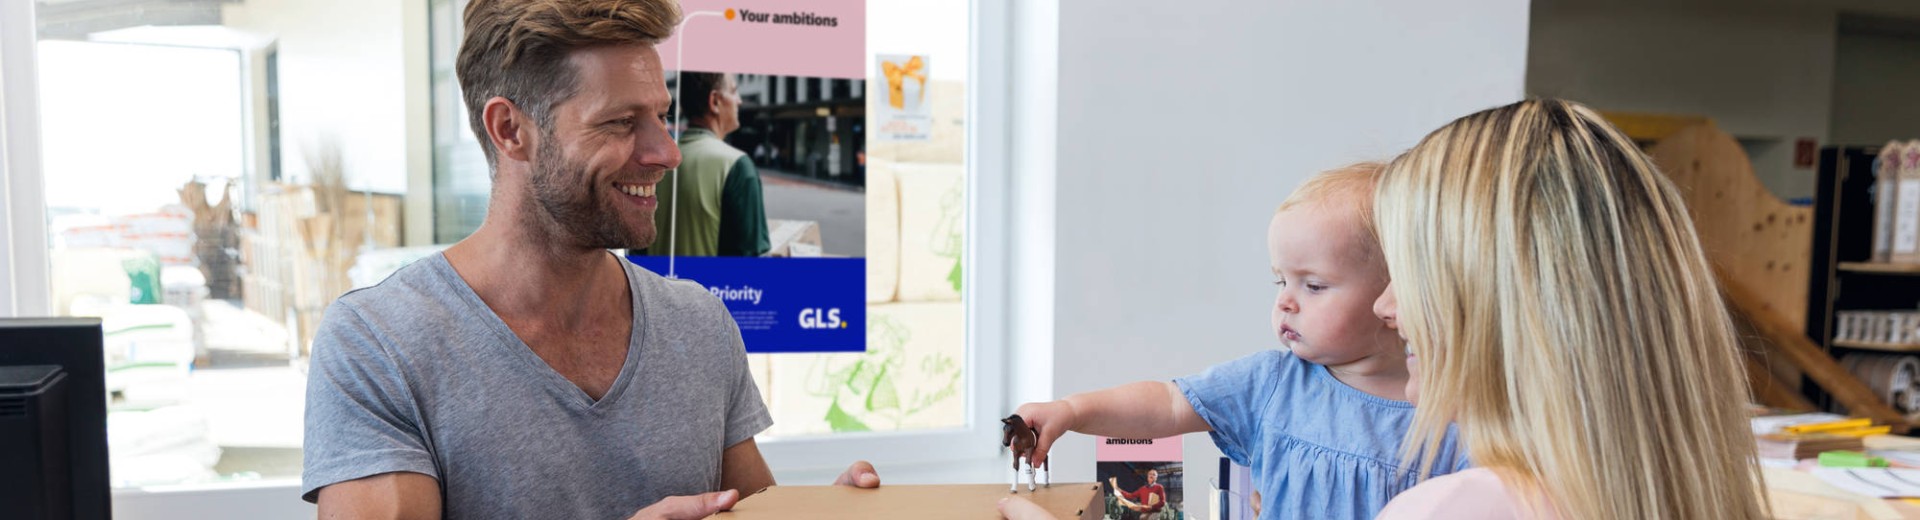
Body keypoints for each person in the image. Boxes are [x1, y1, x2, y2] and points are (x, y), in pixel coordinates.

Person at [299, 1, 877, 518]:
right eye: (622, 122)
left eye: (660, 115)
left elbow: (747, 514)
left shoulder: (698, 323)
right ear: (510, 130)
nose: (665, 152)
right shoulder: (379, 344)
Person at [1370, 99, 1768, 519]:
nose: (1385, 305)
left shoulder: (1453, 510)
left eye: (1411, 271)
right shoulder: (1697, 500)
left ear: (1496, 295)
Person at [1007, 163, 1470, 519]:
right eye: (1280, 283)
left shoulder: (1455, 415)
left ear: (1397, 289)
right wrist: (1072, 410)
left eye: (1314, 285)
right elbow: (1168, 404)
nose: (1286, 302)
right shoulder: (1271, 384)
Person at [648, 71, 770, 257]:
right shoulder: (737, 166)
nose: (739, 101)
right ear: (715, 101)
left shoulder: (657, 162)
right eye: (734, 91)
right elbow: (749, 265)